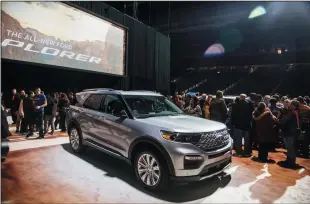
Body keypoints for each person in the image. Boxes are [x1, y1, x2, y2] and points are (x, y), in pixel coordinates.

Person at [278, 100, 300, 169]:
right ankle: (289, 161)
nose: (289, 105)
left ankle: (291, 163)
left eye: (290, 104)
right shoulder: (294, 112)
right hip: (290, 132)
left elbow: (284, 120)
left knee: (290, 148)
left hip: (290, 132)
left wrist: (278, 120)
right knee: (289, 148)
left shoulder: (292, 112)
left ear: (293, 105)